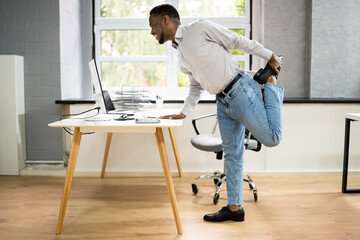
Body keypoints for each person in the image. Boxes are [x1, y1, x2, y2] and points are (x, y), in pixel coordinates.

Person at [149, 4, 284, 222]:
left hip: (240, 90)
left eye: (153, 26)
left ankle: (271, 84)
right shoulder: (180, 53)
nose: (152, 32)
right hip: (222, 102)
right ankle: (234, 208)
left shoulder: (199, 28)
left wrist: (269, 55)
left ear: (166, 20)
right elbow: (195, 85)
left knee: (272, 138)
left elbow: (236, 41)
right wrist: (184, 112)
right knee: (232, 154)